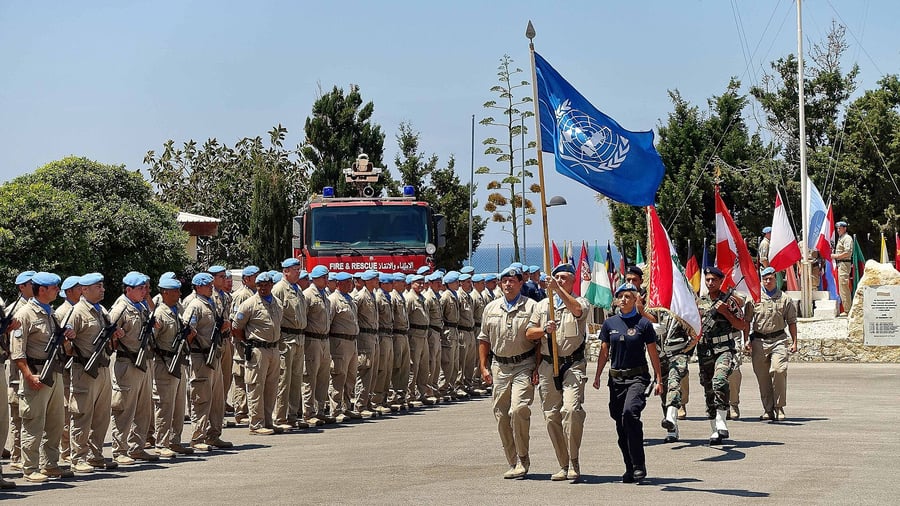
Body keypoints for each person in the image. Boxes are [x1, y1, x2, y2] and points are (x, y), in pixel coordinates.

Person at [592, 283, 662, 484]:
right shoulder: (609, 323)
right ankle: (629, 467)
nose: (624, 299)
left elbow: (652, 352)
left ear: (635, 300)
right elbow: (605, 351)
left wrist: (659, 379)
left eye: (628, 296)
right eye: (620, 296)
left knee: (630, 414)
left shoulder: (643, 324)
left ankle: (639, 464)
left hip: (637, 378)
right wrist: (597, 375)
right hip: (616, 380)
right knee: (621, 424)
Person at [527, 263, 590, 481]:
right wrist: (544, 329)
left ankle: (574, 461)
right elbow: (529, 333)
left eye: (564, 278)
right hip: (547, 365)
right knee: (551, 415)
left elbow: (577, 311)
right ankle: (563, 463)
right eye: (557, 278)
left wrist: (558, 290)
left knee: (571, 411)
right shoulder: (543, 306)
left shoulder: (580, 301)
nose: (560, 280)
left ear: (573, 281)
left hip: (572, 364)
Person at [10, 272, 74, 482]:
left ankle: (51, 464)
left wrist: (66, 338)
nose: (58, 290)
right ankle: (30, 467)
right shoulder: (25, 314)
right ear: (43, 290)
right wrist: (28, 376)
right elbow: (17, 351)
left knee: (55, 422)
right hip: (37, 374)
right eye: (54, 287)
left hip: (54, 373)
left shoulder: (51, 313)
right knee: (33, 422)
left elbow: (60, 345)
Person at [477, 266, 538, 479]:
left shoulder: (532, 307)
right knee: (501, 415)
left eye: (512, 280)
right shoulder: (491, 308)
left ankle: (523, 458)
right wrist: (483, 366)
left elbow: (538, 341)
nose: (508, 284)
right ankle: (512, 460)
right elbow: (484, 338)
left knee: (518, 409)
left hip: (524, 364)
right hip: (500, 367)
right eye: (504, 281)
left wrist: (538, 367)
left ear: (521, 283)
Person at [67, 273, 122, 472]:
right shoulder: (77, 312)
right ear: (84, 289)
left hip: (103, 367)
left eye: (102, 286)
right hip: (84, 370)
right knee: (82, 414)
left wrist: (115, 336)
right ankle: (78, 457)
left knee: (101, 416)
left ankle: (95, 454)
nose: (103, 289)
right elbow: (66, 345)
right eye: (98, 286)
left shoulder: (101, 311)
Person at [109, 272, 160, 464]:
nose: (144, 291)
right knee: (124, 408)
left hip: (144, 361)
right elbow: (107, 337)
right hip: (127, 362)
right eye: (140, 288)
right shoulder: (120, 308)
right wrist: (115, 335)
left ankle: (137, 447)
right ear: (128, 289)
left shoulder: (142, 306)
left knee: (143, 408)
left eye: (146, 288)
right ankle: (119, 449)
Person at [696, 267, 749, 445]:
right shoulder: (698, 302)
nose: (710, 283)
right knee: (709, 390)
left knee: (720, 381)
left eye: (713, 280)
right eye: (708, 279)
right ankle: (715, 429)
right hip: (704, 351)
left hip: (723, 349)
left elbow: (742, 325)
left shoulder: (729, 301)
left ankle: (721, 421)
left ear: (720, 281)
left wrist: (725, 312)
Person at [184, 272, 232, 450]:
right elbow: (188, 331)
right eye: (207, 285)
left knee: (217, 399)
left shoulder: (211, 303)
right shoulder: (195, 305)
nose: (211, 287)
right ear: (198, 287)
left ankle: (213, 434)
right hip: (201, 356)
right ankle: (198, 437)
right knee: (201, 398)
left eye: (211, 284)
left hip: (214, 355)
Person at [232, 271, 284, 435]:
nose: (262, 288)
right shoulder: (249, 304)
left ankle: (268, 422)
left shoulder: (277, 302)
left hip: (274, 349)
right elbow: (236, 327)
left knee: (271, 388)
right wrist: (248, 342)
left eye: (266, 285)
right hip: (258, 350)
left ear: (271, 285)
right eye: (259, 285)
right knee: (256, 387)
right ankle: (256, 424)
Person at [151, 275, 195, 458]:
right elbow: (151, 341)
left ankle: (175, 440)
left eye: (179, 290)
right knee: (164, 404)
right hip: (165, 363)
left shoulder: (177, 309)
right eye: (175, 290)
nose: (178, 293)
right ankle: (161, 442)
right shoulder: (159, 313)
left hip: (179, 361)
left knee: (178, 405)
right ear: (165, 292)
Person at [748, 267, 798, 421]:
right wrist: (746, 341)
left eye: (770, 278)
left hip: (778, 340)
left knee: (778, 370)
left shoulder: (784, 298)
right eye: (765, 279)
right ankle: (768, 409)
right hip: (758, 341)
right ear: (761, 280)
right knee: (763, 377)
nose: (768, 281)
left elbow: (791, 322)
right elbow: (747, 321)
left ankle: (779, 407)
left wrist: (795, 341)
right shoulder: (754, 298)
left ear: (776, 279)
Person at [648, 307, 698, 443]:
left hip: (678, 354)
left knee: (674, 383)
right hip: (660, 355)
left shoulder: (683, 308)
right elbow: (643, 323)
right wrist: (650, 324)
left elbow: (695, 333)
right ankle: (672, 429)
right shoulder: (655, 307)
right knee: (664, 392)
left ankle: (670, 417)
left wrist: (686, 352)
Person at [272, 258, 308, 431]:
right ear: (285, 271)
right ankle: (279, 416)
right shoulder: (279, 289)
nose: (298, 272)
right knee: (283, 380)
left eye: (298, 269)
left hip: (299, 338)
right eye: (295, 269)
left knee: (296, 379)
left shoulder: (298, 288)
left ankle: (292, 416)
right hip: (286, 339)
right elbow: (275, 315)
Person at [302, 266, 333, 426]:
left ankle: (320, 411)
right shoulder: (308, 295)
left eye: (327, 277)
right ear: (315, 278)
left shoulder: (325, 295)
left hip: (324, 340)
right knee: (310, 377)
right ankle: (308, 412)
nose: (327, 280)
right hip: (312, 340)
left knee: (323, 377)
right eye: (323, 278)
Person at [327, 272, 359, 422]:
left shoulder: (350, 299)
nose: (350, 285)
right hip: (339, 343)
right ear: (338, 284)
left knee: (350, 377)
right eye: (346, 282)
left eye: (350, 282)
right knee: (338, 376)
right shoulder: (333, 300)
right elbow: (328, 323)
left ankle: (347, 407)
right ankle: (335, 409)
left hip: (352, 343)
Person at [230, 265, 259, 426]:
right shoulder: (242, 295)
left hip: (250, 344)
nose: (257, 279)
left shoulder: (254, 294)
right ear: (246, 279)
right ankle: (240, 412)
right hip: (242, 344)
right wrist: (243, 342)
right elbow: (236, 323)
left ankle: (247, 409)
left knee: (249, 377)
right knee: (241, 377)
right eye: (254, 276)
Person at [352, 270, 380, 418]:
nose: (377, 281)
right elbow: (353, 315)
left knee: (372, 372)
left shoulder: (372, 295)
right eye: (375, 279)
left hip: (373, 336)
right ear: (368, 280)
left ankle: (368, 402)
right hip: (364, 336)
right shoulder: (361, 296)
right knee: (364, 371)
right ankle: (360, 404)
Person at [438, 271, 461, 400]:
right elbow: (440, 315)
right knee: (447, 362)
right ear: (449, 283)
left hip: (454, 330)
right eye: (455, 282)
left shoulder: (454, 295)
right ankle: (443, 388)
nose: (458, 284)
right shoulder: (446, 296)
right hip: (448, 330)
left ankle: (451, 388)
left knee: (454, 363)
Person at [833, 221, 853, 315]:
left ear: (845, 228)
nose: (838, 230)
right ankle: (846, 309)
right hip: (841, 264)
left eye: (840, 228)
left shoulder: (847, 238)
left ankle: (848, 310)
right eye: (837, 228)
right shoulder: (841, 238)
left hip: (844, 264)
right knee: (842, 287)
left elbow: (847, 253)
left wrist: (835, 256)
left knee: (844, 286)